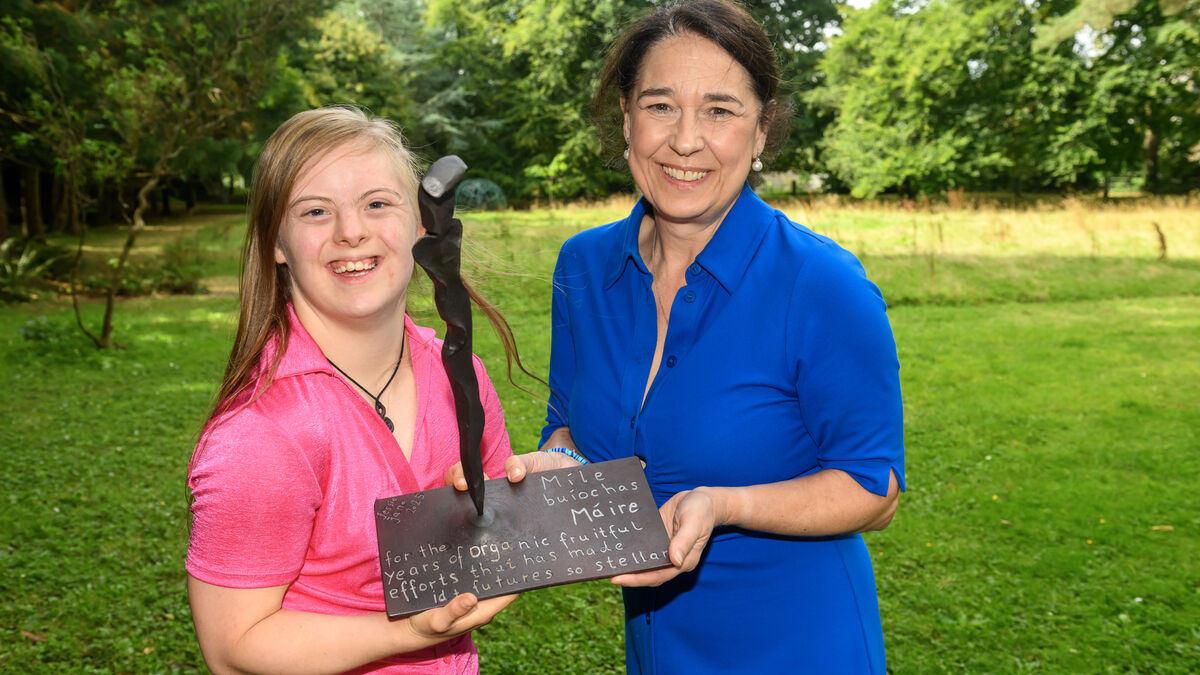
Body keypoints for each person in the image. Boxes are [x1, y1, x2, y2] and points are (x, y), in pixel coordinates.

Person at [452, 1, 905, 672]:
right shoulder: (583, 266)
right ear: (626, 119)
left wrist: (725, 504)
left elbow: (875, 488)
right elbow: (569, 427)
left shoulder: (823, 284)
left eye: (720, 110)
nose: (685, 140)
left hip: (800, 644)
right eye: (660, 106)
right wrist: (555, 468)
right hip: (656, 646)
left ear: (761, 129)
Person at [186, 106, 517, 675]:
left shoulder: (459, 376)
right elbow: (233, 647)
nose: (351, 231)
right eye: (316, 211)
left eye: (377, 203)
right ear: (276, 243)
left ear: (421, 226)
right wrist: (408, 630)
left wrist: (537, 488)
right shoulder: (263, 433)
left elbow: (496, 531)